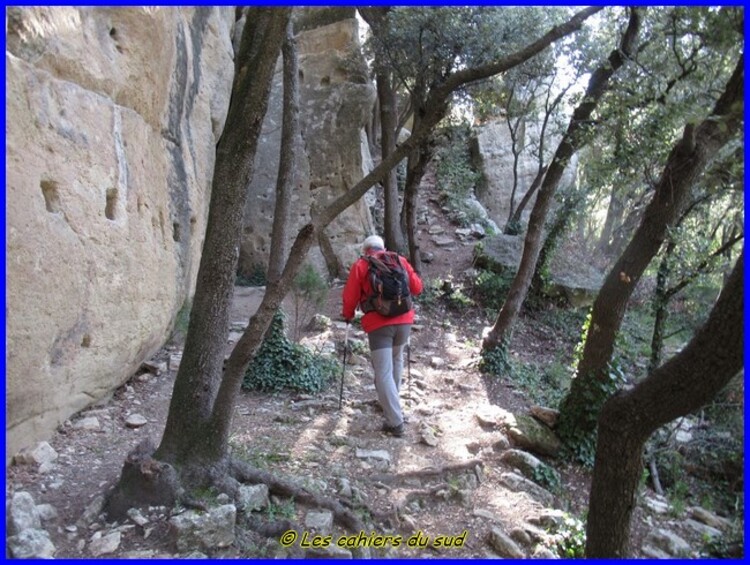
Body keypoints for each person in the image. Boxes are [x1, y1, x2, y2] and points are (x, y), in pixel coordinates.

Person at [342, 235, 423, 437]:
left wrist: (348, 315)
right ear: (383, 247)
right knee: (396, 361)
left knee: (383, 371)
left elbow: (350, 296)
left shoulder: (361, 265)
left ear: (365, 250)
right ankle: (390, 406)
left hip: (379, 324)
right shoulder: (399, 260)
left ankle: (395, 421)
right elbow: (417, 288)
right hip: (404, 321)